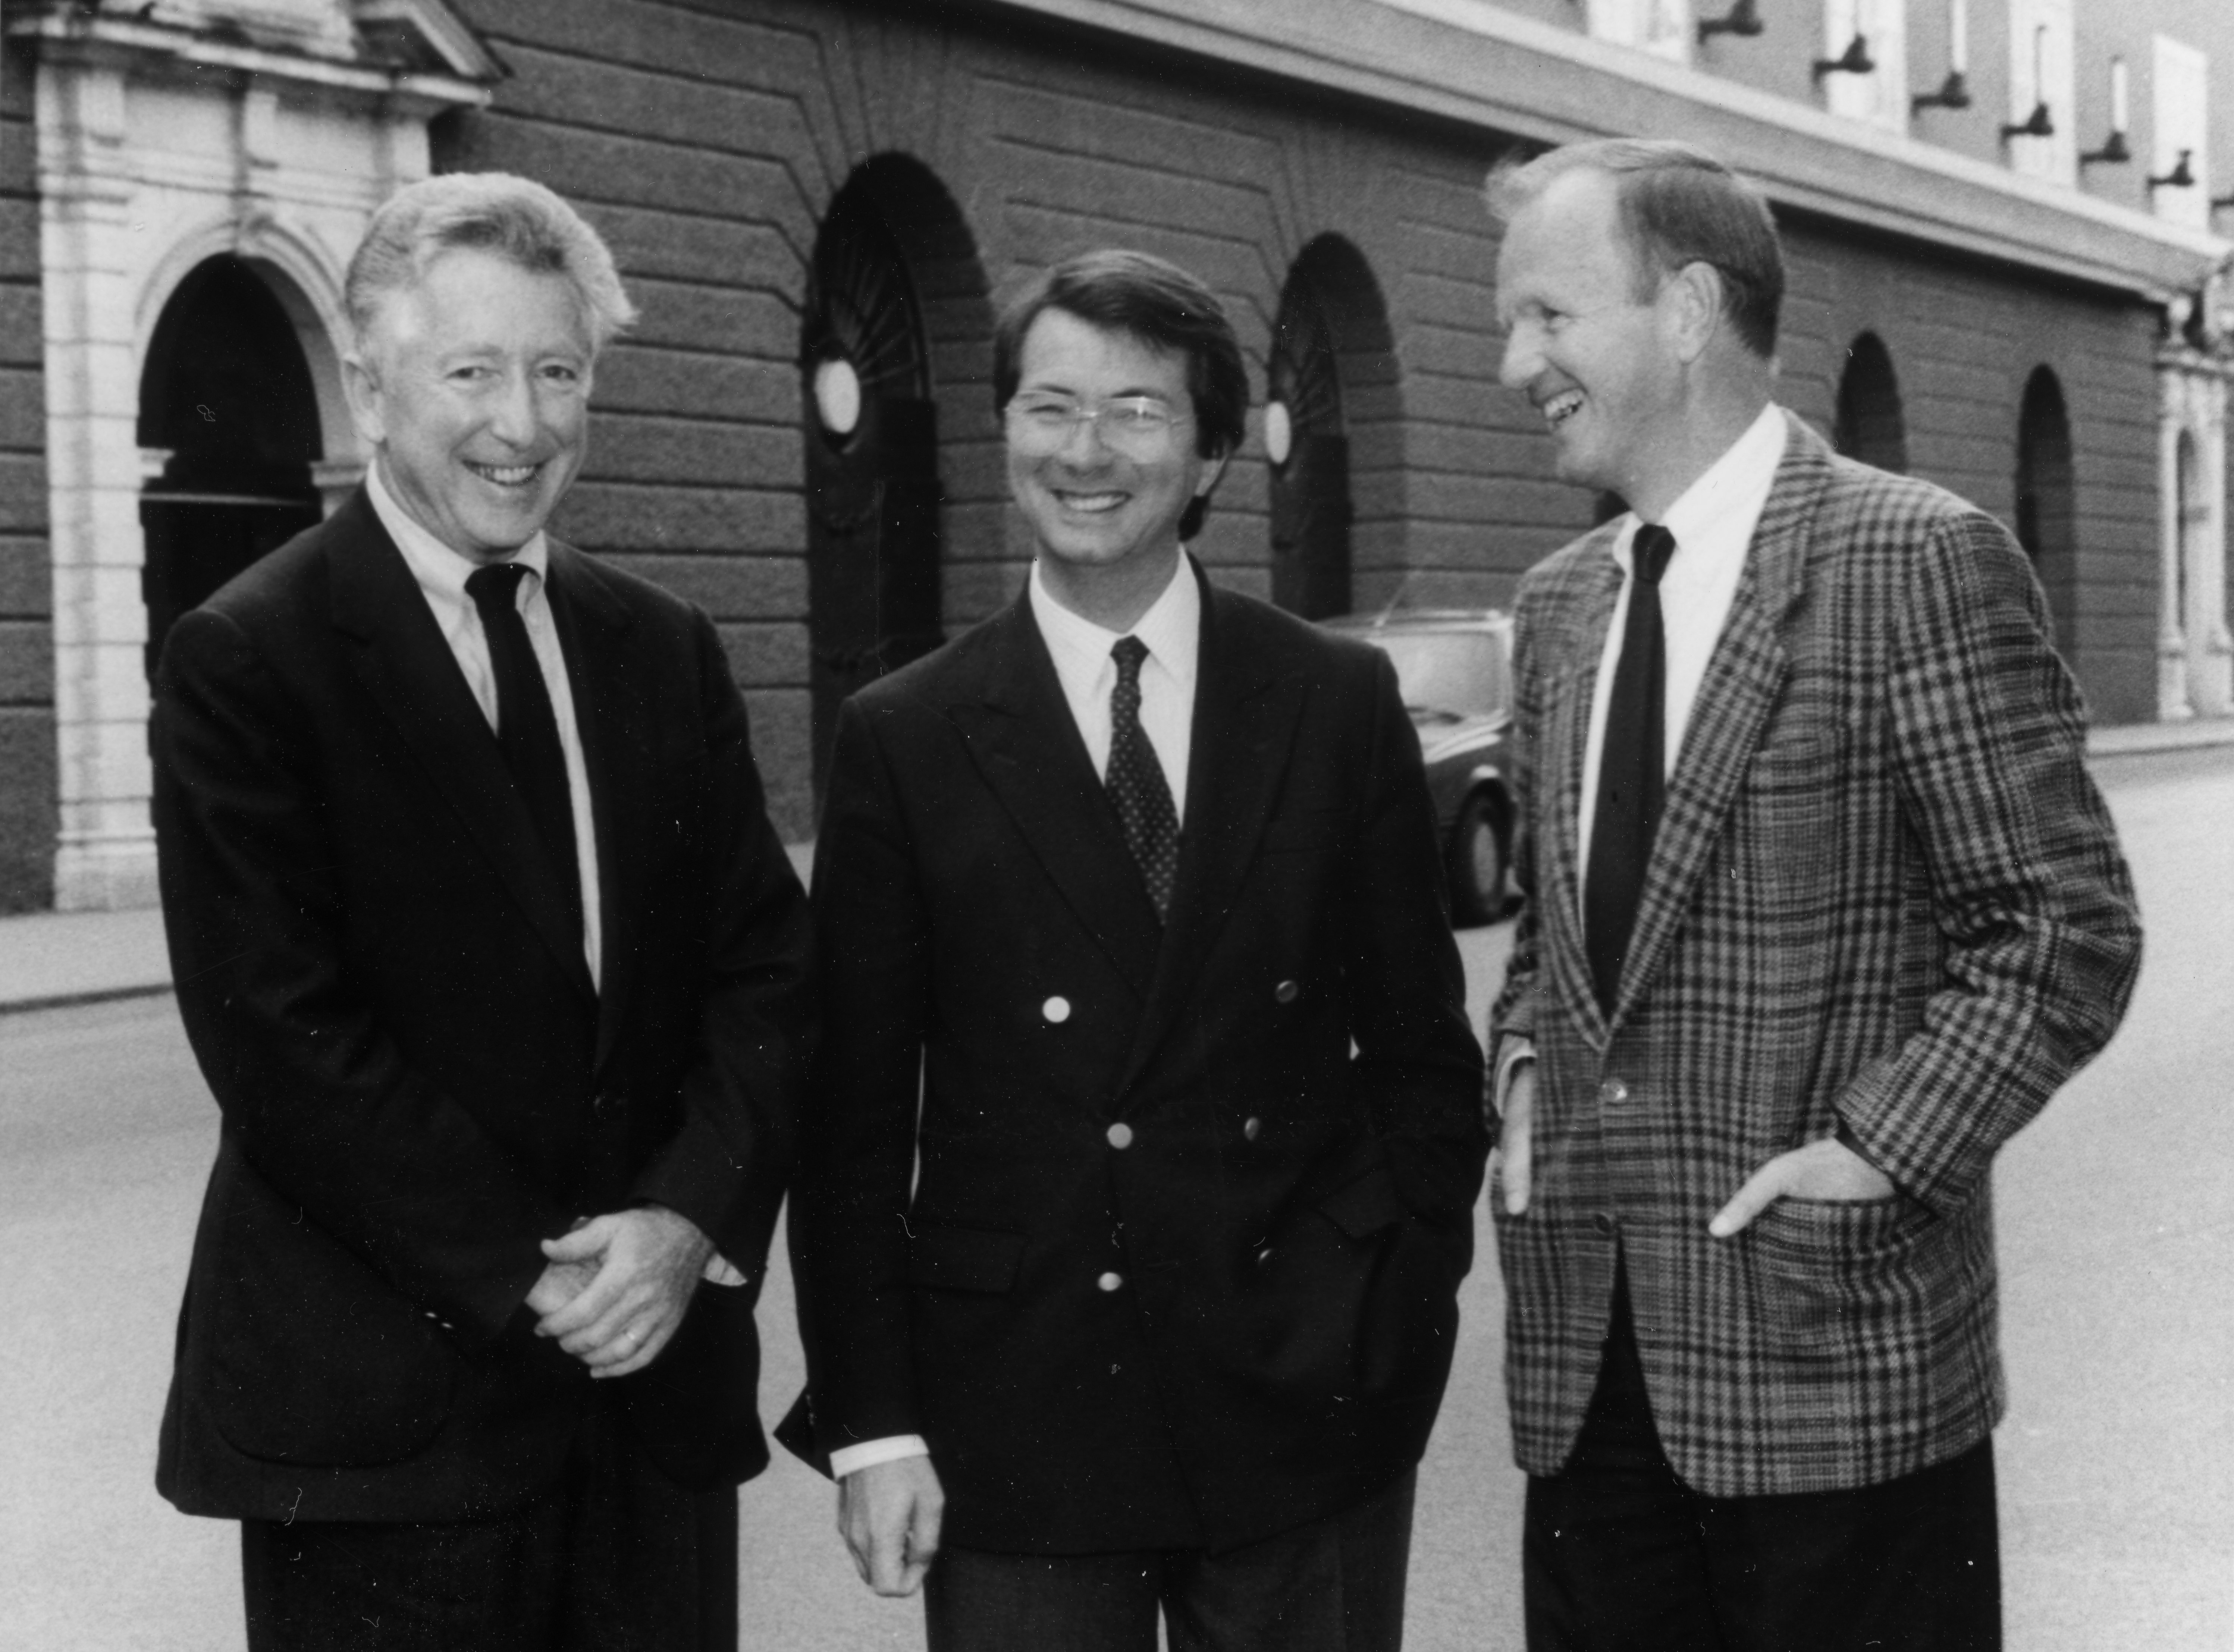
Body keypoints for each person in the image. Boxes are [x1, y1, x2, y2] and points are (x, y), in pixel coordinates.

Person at [1481, 137, 2143, 1652]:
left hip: (1838, 1376)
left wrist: (1877, 1152)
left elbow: (2064, 927)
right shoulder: (1562, 607)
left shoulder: (1913, 559)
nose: (1516, 362)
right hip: (1592, 1377)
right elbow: (1557, 939)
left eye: (1549, 317)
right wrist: (1521, 1066)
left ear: (1690, 307)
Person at [782, 248, 1487, 1651]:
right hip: (1019, 1409)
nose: (1084, 453)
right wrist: (873, 1427)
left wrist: (1392, 1309)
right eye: (1048, 408)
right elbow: (848, 1119)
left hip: (1304, 1400)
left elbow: (1421, 1054)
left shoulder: (1332, 699)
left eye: (1136, 411)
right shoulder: (907, 732)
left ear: (1215, 448)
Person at [150, 172, 813, 1652]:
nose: (523, 422)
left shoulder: (662, 648)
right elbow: (282, 1043)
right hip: (388, 1438)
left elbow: (767, 967)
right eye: (472, 371)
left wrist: (682, 1219)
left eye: (559, 370)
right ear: (371, 388)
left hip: (647, 1416)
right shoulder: (247, 659)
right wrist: (550, 1283)